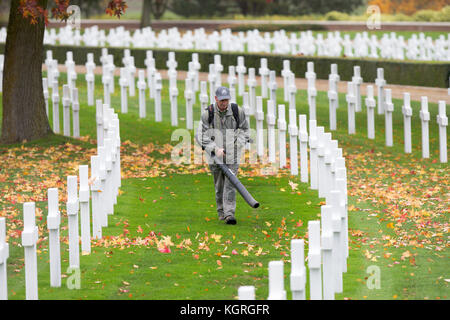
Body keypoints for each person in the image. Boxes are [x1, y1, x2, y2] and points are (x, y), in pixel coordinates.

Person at [195, 86, 250, 225]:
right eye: (221, 100)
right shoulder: (208, 114)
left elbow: (245, 131)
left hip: (233, 154)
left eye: (226, 100)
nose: (224, 103)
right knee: (219, 185)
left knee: (230, 184)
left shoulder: (238, 111)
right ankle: (221, 212)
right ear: (215, 99)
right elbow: (200, 135)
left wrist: (236, 145)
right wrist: (214, 148)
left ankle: (229, 214)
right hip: (215, 157)